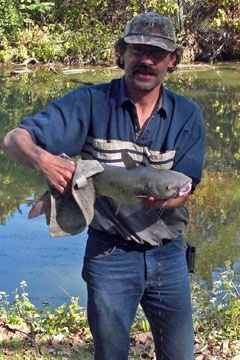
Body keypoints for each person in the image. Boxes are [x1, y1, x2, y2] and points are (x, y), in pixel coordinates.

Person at [2, 12, 205, 360]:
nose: (146, 60)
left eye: (156, 53)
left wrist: (159, 200)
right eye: (137, 49)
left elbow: (186, 189)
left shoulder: (188, 115)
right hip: (109, 256)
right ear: (122, 53)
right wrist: (45, 161)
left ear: (171, 61)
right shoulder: (91, 103)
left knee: (180, 355)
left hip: (168, 255)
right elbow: (13, 139)